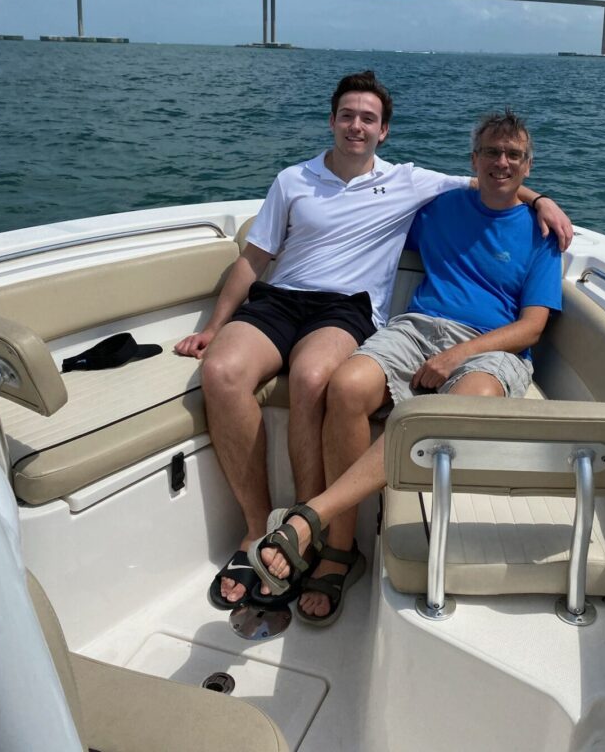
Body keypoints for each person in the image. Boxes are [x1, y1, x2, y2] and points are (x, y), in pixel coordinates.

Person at [175, 74, 571, 608]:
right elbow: (262, 254)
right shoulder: (425, 201)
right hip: (404, 325)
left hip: (483, 344)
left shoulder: (535, 232)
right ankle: (293, 537)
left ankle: (311, 522)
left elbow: (533, 326)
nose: (502, 164)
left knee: (446, 401)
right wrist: (216, 325)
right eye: (491, 153)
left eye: (515, 157)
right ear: (473, 158)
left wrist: (541, 200)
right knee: (338, 384)